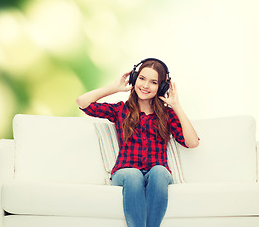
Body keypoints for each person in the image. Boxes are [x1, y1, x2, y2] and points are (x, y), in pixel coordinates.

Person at [76, 58, 199, 227]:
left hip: (156, 175)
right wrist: (115, 88)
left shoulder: (166, 115)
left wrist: (176, 105)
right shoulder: (121, 110)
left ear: (162, 87)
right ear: (134, 79)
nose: (146, 85)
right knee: (133, 175)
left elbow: (192, 142)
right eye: (141, 78)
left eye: (154, 82)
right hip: (125, 173)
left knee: (161, 172)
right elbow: (83, 103)